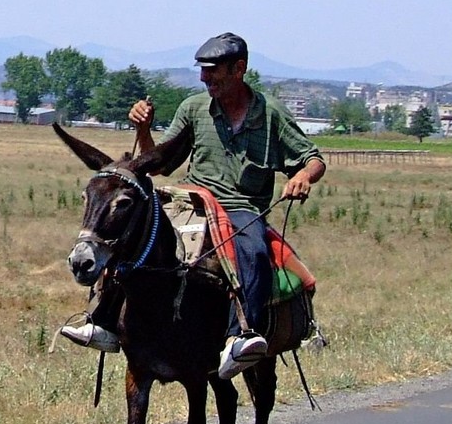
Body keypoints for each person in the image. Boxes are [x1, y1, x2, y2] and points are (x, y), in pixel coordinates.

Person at [60, 32, 324, 379]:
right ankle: (104, 318)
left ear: (239, 68)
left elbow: (313, 158)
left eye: (213, 70)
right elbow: (160, 165)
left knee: (255, 252)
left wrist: (303, 176)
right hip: (190, 198)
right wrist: (143, 129)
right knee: (131, 231)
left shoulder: (271, 113)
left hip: (240, 208)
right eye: (202, 70)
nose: (204, 78)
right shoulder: (194, 108)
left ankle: (241, 336)